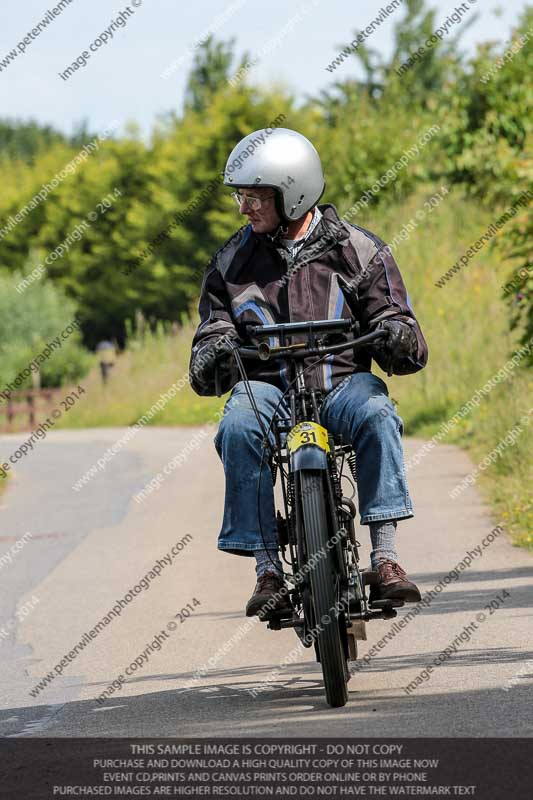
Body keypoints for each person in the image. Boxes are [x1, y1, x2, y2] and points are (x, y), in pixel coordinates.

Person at [189, 127, 428, 618]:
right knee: (238, 423)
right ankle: (267, 569)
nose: (244, 208)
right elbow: (211, 333)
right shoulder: (230, 263)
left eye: (254, 196)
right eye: (241, 196)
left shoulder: (358, 250)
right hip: (268, 390)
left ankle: (385, 559)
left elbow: (399, 323)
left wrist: (396, 334)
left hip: (342, 386)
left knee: (378, 412)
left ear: (292, 191)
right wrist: (213, 351)